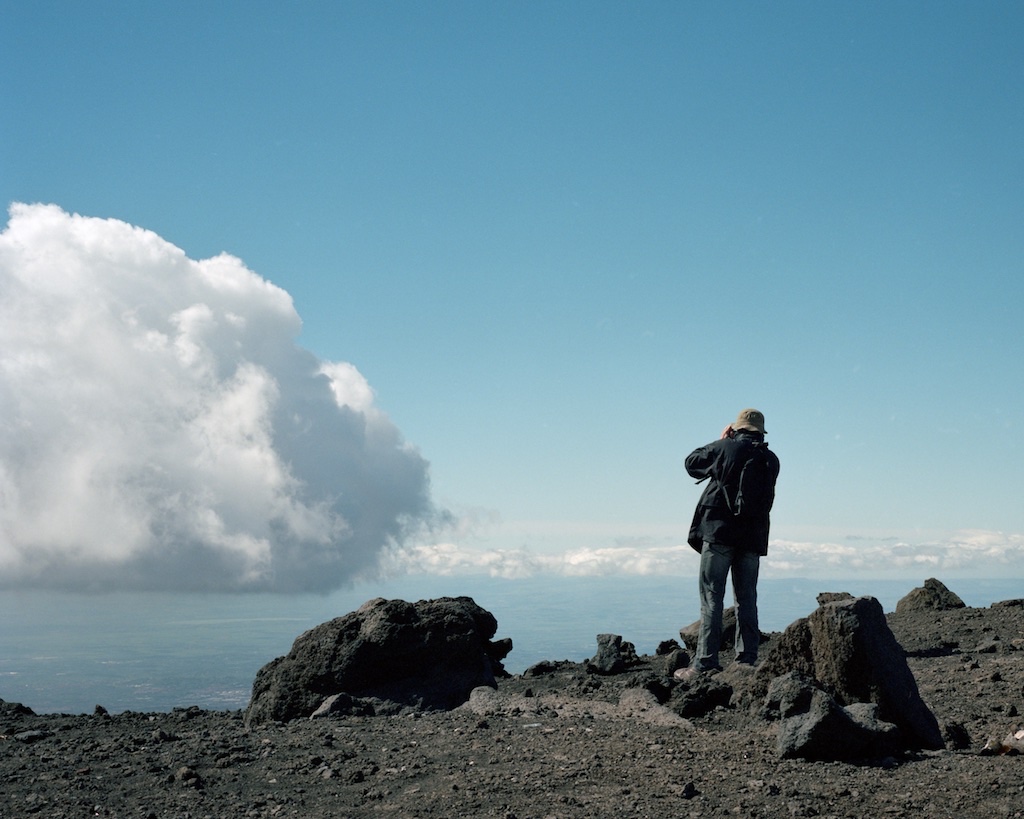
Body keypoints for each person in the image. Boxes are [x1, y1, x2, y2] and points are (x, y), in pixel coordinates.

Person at [676, 408, 780, 681]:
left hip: (719, 534)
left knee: (712, 599)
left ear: (737, 428)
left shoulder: (724, 447)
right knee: (747, 599)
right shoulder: (771, 460)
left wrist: (721, 439)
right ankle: (746, 660)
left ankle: (705, 664)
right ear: (761, 431)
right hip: (752, 538)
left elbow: (691, 463)